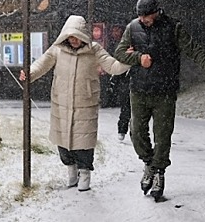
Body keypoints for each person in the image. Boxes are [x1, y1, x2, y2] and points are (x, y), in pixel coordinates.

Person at [114, 0, 205, 202]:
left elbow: (194, 49)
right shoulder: (132, 28)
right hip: (138, 90)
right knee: (136, 132)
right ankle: (149, 163)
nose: (143, 20)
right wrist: (138, 58)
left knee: (162, 136)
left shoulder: (173, 28)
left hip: (164, 91)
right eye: (140, 16)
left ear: (156, 12)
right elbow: (119, 52)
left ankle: (159, 174)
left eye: (146, 16)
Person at [19, 15, 130, 192]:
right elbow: (42, 64)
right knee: (62, 141)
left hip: (85, 103)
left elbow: (113, 67)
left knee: (84, 142)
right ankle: (71, 169)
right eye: (71, 36)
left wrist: (127, 60)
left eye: (77, 36)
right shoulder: (57, 50)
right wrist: (29, 73)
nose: (74, 40)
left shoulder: (95, 50)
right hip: (61, 103)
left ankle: (84, 172)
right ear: (65, 36)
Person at [105, 24, 131, 141]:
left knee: (131, 109)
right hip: (124, 80)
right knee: (126, 107)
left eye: (117, 30)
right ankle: (122, 130)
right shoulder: (112, 45)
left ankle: (130, 132)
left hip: (130, 79)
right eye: (114, 30)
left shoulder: (125, 44)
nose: (115, 32)